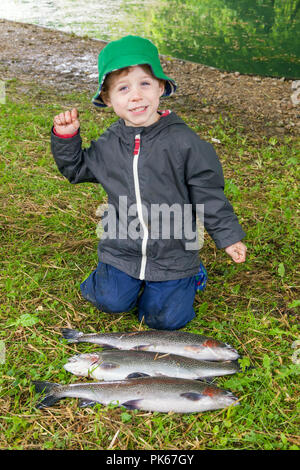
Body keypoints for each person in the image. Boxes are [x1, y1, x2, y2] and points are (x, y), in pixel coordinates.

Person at [51, 35, 247, 330]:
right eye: (123, 88)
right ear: (107, 99)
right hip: (122, 248)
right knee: (109, 300)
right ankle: (115, 279)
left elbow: (208, 193)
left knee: (163, 320)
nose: (136, 96)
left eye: (145, 84)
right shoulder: (109, 143)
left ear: (161, 87)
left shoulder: (184, 142)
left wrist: (228, 236)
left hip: (174, 252)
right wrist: (66, 138)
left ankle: (191, 276)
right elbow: (77, 169)